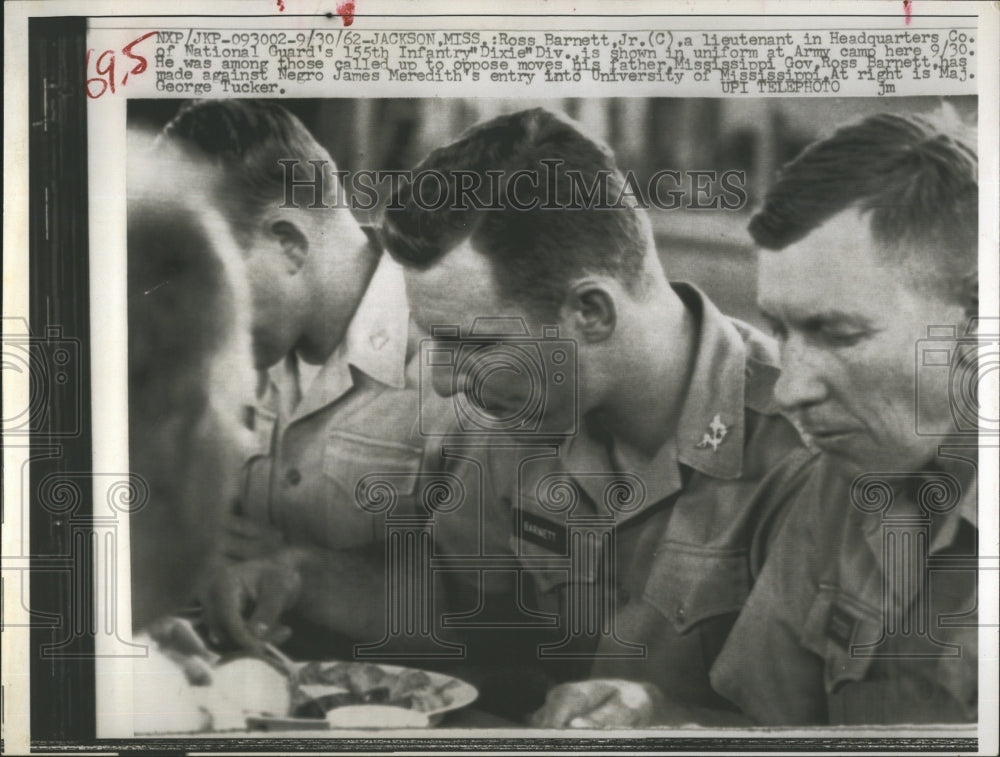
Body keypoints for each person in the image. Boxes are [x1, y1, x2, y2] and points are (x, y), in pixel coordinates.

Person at [376, 107, 823, 724]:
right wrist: (301, 578)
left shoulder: (807, 455)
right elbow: (452, 627)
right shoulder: (513, 421)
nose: (446, 379)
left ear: (590, 312)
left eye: (471, 345)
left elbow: (844, 732)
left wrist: (666, 722)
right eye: (433, 343)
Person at [705, 111, 980, 725]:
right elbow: (767, 725)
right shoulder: (852, 473)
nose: (792, 390)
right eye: (780, 330)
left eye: (838, 334)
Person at [158, 100, 451, 656]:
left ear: (290, 243)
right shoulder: (252, 350)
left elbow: (509, 635)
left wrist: (301, 574)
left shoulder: (459, 361)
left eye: (208, 285)